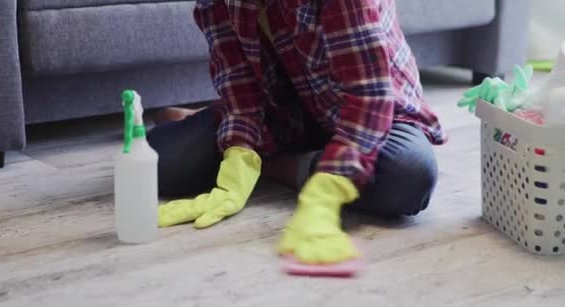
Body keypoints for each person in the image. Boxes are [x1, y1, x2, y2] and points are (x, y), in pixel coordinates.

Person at [148, 0, 447, 265]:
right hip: (283, 112)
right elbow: (239, 85)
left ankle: (272, 164)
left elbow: (369, 98)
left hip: (371, 112)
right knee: (160, 160)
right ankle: (282, 157)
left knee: (409, 174)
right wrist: (239, 151)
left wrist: (328, 190)